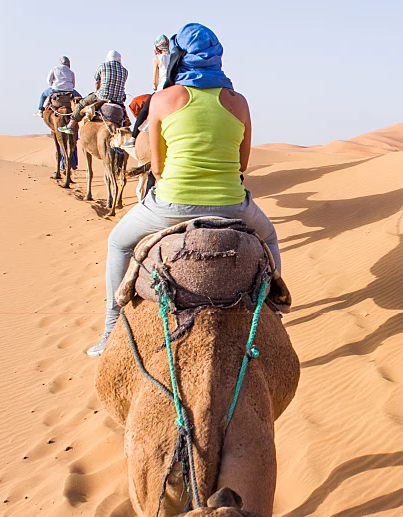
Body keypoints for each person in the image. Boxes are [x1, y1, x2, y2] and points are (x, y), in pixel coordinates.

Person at [86, 23, 281, 358]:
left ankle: (110, 329)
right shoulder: (240, 102)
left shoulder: (162, 99)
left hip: (171, 204)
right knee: (271, 238)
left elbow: (158, 169)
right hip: (233, 205)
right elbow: (242, 164)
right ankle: (276, 314)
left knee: (118, 243)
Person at [60, 50, 128, 134]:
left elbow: (97, 81)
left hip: (102, 96)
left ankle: (70, 126)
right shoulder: (125, 71)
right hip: (118, 99)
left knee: (82, 104)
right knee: (124, 115)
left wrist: (97, 90)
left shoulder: (103, 66)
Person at [121, 35, 170, 150]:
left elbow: (155, 79)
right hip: (173, 89)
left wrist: (154, 87)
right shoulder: (173, 57)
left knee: (143, 111)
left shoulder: (157, 59)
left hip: (161, 90)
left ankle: (133, 138)